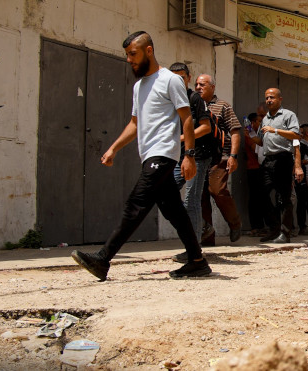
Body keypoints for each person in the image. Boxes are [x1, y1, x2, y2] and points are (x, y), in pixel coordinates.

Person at [71, 31, 210, 280]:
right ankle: (197, 260)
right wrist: (114, 148)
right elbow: (135, 123)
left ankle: (103, 258)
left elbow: (187, 118)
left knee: (136, 204)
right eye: (127, 55)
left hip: (164, 154)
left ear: (148, 51)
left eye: (132, 54)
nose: (129, 60)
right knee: (174, 210)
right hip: (148, 154)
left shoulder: (170, 80)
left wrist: (188, 155)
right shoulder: (139, 86)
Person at [168, 63, 218, 246]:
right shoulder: (169, 99)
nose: (179, 81)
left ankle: (193, 248)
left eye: (182, 77)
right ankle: (203, 226)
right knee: (165, 192)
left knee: (191, 200)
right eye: (174, 78)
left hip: (198, 155)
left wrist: (182, 138)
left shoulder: (195, 99)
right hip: (178, 156)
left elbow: (205, 128)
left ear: (188, 78)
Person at [194, 74, 243, 244]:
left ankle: (235, 223)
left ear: (212, 87)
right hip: (199, 157)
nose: (198, 87)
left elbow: (235, 131)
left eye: (202, 84)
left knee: (217, 190)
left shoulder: (223, 106)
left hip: (219, 156)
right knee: (200, 197)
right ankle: (207, 237)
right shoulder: (193, 105)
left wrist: (233, 156)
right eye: (196, 84)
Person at [255, 88, 302, 244]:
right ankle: (274, 228)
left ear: (280, 99)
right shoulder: (265, 119)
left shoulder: (288, 115)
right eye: (267, 97)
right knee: (260, 194)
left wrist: (275, 130)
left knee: (284, 198)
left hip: (283, 159)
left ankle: (285, 232)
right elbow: (261, 141)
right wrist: (249, 134)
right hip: (268, 160)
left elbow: (296, 136)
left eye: (272, 97)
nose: (269, 100)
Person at [244, 110, 266, 235]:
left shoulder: (255, 134)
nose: (261, 123)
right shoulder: (249, 135)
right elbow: (255, 149)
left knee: (261, 198)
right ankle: (255, 227)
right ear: (252, 122)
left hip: (260, 168)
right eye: (258, 121)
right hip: (253, 169)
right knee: (255, 198)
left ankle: (261, 225)